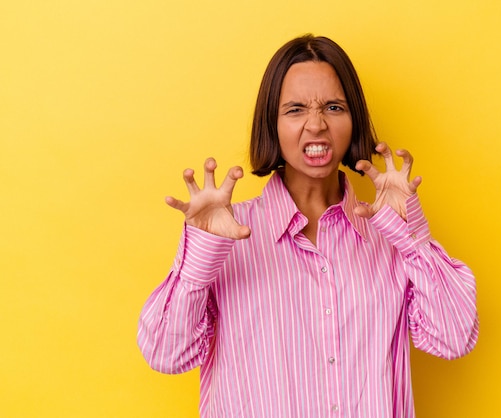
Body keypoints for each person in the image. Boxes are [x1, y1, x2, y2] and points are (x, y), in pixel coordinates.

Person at [137, 34, 478, 418]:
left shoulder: (390, 237)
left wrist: (410, 232)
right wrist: (200, 254)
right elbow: (166, 354)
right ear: (272, 123)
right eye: (295, 109)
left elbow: (454, 337)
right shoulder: (226, 237)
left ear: (354, 119)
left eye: (334, 107)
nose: (316, 125)